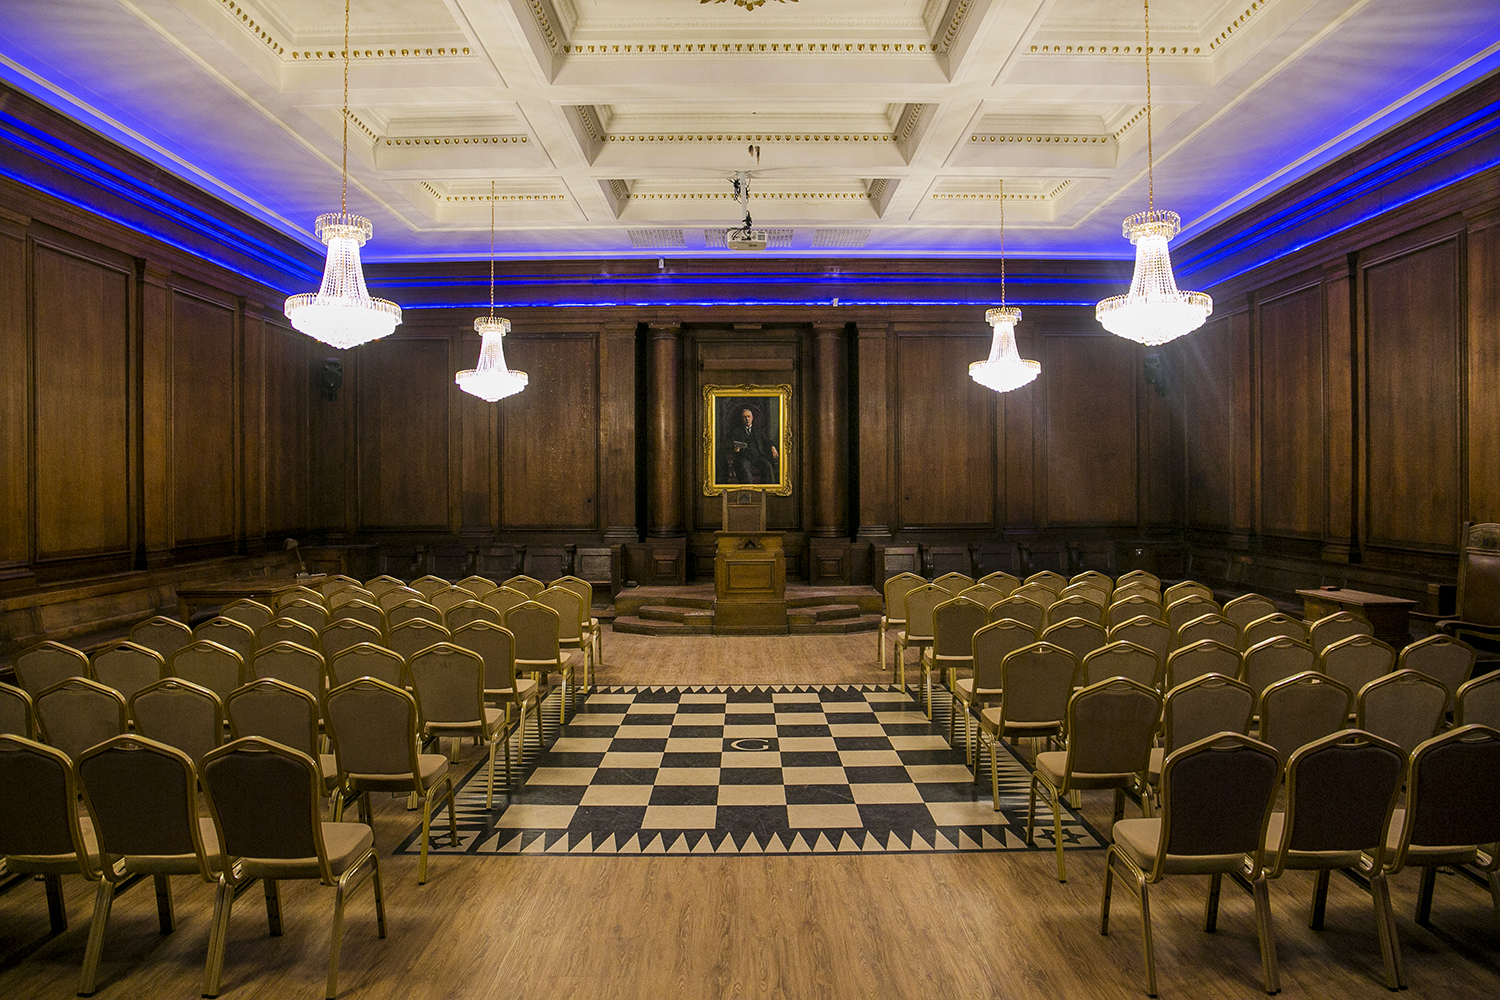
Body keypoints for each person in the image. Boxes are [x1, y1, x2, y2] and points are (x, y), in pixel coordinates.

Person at [725, 405, 778, 484]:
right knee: (744, 467)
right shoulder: (736, 431)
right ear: (742, 419)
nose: (747, 419)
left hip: (758, 456)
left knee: (767, 466)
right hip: (744, 457)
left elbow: (767, 441)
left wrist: (772, 447)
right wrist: (735, 449)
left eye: (748, 416)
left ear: (752, 418)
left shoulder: (758, 430)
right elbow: (728, 444)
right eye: (744, 417)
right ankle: (749, 490)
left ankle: (769, 490)